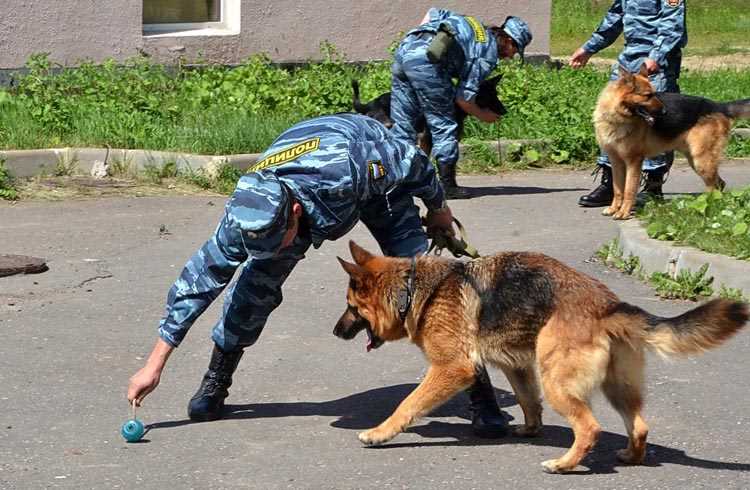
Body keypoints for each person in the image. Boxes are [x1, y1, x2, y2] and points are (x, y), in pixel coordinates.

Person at [126, 113, 510, 438]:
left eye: (279, 242)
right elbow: (198, 281)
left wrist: (439, 209)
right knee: (251, 290)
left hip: (375, 182)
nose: (275, 251)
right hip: (313, 198)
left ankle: (481, 396)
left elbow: (414, 163)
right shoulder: (247, 215)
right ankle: (216, 381)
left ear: (294, 212)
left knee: (425, 284)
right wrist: (154, 364)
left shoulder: (350, 165)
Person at [391, 8, 533, 199]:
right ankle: (448, 186)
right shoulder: (487, 53)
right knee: (444, 123)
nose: (510, 57)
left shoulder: (474, 25)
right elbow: (463, 99)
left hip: (405, 51)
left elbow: (433, 12)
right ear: (508, 40)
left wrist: (423, 46)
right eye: (514, 51)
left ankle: (396, 182)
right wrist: (485, 116)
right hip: (428, 66)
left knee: (403, 124)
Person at [570, 0, 687, 207]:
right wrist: (589, 48)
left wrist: (656, 57)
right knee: (611, 121)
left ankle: (653, 186)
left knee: (653, 123)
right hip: (628, 58)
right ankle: (610, 185)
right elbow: (614, 18)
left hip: (655, 63)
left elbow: (672, 24)